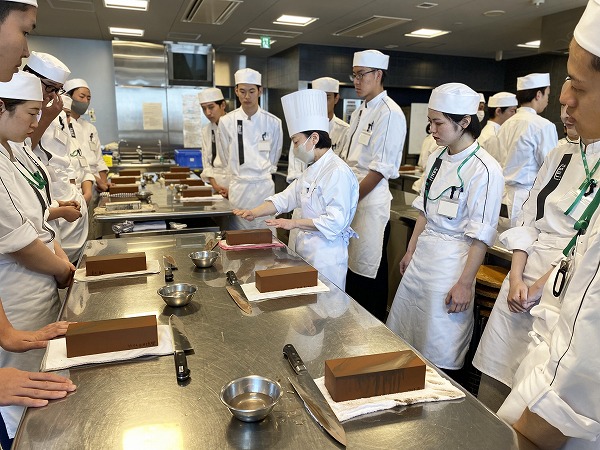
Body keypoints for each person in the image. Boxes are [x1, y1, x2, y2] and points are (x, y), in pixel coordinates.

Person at [497, 2, 600, 447]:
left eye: (577, 84)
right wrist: (519, 274)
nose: (564, 99)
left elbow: (584, 371)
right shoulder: (561, 150)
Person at [472, 80, 598, 411]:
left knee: (534, 388)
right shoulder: (559, 152)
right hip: (525, 269)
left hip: (564, 283)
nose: (566, 113)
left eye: (574, 104)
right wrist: (516, 277)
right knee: (496, 376)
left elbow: (586, 243)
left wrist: (540, 287)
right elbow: (528, 219)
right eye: (562, 106)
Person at [386, 83, 504, 380]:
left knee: (438, 343)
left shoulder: (485, 169)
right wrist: (411, 250)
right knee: (406, 335)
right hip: (422, 259)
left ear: (464, 122)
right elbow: (424, 211)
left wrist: (465, 283)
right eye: (430, 122)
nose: (432, 130)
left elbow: (481, 235)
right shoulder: (437, 158)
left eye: (438, 123)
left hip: (452, 264)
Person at [0, 69, 76, 443]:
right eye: (32, 112)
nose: (36, 121)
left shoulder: (14, 151)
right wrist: (63, 270)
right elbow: (19, 242)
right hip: (18, 295)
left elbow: (40, 225)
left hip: (33, 300)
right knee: (24, 413)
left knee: (46, 394)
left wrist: (63, 267)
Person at [233, 89, 358, 289]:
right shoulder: (311, 169)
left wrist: (294, 223)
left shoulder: (337, 172)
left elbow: (335, 221)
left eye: (296, 141)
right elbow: (285, 198)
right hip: (305, 251)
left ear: (314, 138)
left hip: (326, 257)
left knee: (325, 305)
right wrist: (254, 212)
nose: (294, 148)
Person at [340, 49, 406, 322]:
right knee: (351, 270)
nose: (356, 81)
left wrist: (349, 198)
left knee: (368, 271)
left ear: (378, 75)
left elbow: (379, 169)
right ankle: (350, 326)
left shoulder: (389, 113)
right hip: (353, 200)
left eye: (361, 75)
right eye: (354, 75)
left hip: (369, 204)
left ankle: (371, 330)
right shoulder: (359, 112)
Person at [287, 76, 349, 252]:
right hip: (302, 203)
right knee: (296, 258)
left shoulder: (344, 130)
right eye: (317, 98)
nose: (321, 103)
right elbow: (294, 172)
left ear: (336, 98)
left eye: (326, 97)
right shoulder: (301, 132)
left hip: (326, 210)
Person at [218, 68, 283, 230]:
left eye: (252, 91)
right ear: (236, 91)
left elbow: (274, 156)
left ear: (260, 91)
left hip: (264, 188)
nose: (247, 96)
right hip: (239, 188)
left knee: (266, 232)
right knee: (239, 234)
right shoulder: (226, 121)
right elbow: (224, 156)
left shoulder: (273, 122)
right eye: (242, 91)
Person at [499, 72, 558, 225]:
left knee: (500, 236)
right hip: (526, 197)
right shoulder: (543, 126)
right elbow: (550, 168)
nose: (547, 100)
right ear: (538, 94)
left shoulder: (506, 124)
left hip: (502, 195)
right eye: (547, 95)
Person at [63, 78, 109, 201]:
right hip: (77, 185)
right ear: (68, 97)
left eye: (88, 98)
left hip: (96, 187)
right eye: (82, 97)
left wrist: (103, 184)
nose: (85, 101)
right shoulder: (62, 125)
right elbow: (74, 162)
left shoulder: (90, 128)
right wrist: (97, 180)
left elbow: (99, 159)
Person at [198, 87, 229, 198]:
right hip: (215, 186)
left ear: (223, 105)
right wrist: (215, 185)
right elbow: (206, 161)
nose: (208, 113)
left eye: (211, 107)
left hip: (235, 185)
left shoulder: (235, 126)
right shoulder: (206, 130)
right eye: (204, 109)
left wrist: (232, 188)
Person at [478, 92, 518, 163]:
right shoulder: (492, 136)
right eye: (512, 111)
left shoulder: (498, 131)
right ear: (498, 111)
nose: (514, 115)